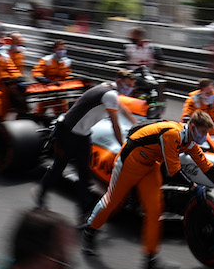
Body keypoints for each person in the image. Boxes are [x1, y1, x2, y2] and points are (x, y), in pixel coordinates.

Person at [79, 110, 214, 269]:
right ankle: (89, 231)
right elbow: (174, 171)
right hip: (129, 163)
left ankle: (150, 260)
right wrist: (194, 187)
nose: (205, 136)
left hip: (150, 166)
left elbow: (205, 165)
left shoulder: (190, 142)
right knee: (112, 201)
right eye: (203, 132)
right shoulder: (173, 134)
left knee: (155, 210)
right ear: (193, 127)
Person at [34, 74, 138, 209]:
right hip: (67, 131)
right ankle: (40, 193)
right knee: (58, 168)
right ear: (119, 81)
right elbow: (115, 125)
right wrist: (124, 146)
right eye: (128, 85)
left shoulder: (108, 87)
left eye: (132, 86)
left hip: (83, 134)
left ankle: (84, 210)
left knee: (84, 172)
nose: (130, 89)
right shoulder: (110, 94)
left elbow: (124, 110)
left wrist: (138, 125)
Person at [180, 78, 214, 146]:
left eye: (212, 92)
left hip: (213, 134)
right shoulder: (193, 99)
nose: (211, 95)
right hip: (197, 133)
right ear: (201, 92)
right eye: (207, 93)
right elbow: (186, 116)